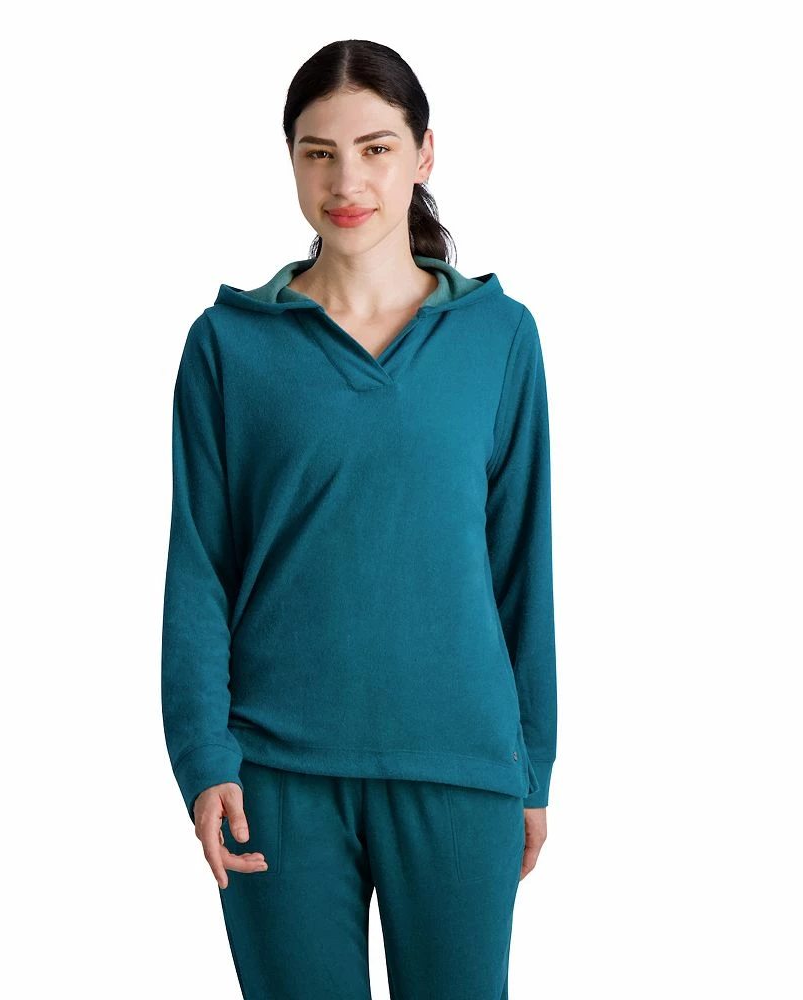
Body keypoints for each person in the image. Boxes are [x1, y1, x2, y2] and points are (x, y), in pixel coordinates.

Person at [161, 38, 557, 1000]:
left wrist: (534, 763)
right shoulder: (227, 346)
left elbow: (522, 562)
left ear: (424, 154)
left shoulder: (500, 338)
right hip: (273, 776)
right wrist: (203, 757)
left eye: (376, 149)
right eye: (320, 152)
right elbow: (200, 567)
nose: (347, 182)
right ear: (291, 160)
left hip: (461, 766)